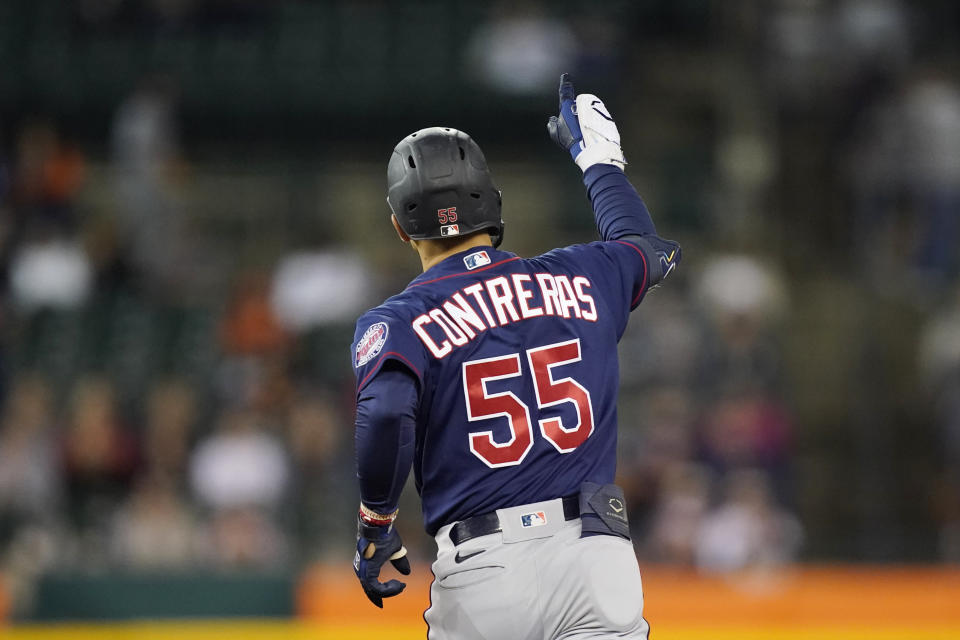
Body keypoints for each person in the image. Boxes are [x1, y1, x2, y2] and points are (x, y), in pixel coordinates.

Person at [350, 75, 681, 639]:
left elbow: (384, 414)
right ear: (493, 204)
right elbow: (646, 248)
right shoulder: (582, 273)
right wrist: (601, 162)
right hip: (595, 557)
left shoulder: (398, 319)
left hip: (486, 569)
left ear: (400, 227)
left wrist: (377, 518)